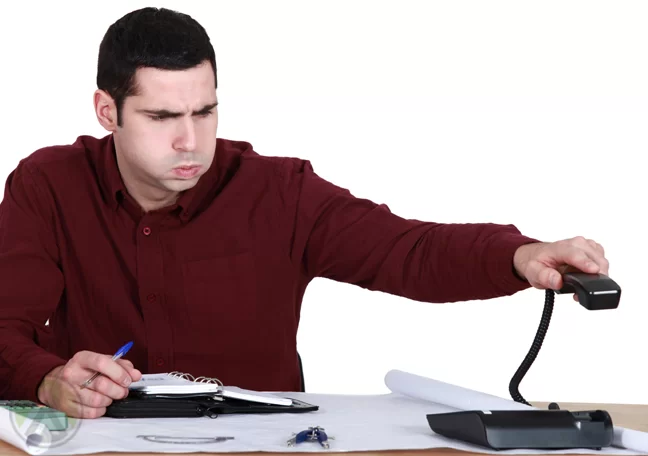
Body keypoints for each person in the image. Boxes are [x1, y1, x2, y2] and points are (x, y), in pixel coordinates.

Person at [0, 7, 608, 419]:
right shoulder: (47, 185)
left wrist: (518, 254)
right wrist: (44, 378)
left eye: (205, 112)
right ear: (107, 112)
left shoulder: (278, 190)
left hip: (265, 449)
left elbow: (408, 251)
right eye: (162, 118)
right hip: (103, 445)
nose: (190, 140)